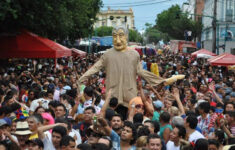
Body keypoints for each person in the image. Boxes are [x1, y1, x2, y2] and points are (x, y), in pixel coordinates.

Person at [78, 26, 185, 107]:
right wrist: (81, 79)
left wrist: (161, 81)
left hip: (129, 95)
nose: (117, 40)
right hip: (112, 96)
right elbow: (95, 68)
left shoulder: (134, 54)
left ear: (127, 37)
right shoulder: (107, 54)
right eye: (115, 36)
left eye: (121, 35)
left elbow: (141, 72)